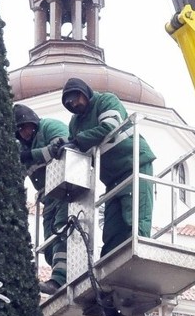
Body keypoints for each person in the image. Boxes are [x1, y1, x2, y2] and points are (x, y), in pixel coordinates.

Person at [61, 77, 155, 256]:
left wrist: (76, 142)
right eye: (69, 102)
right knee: (112, 230)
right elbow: (78, 152)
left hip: (134, 165)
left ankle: (138, 258)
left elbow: (110, 128)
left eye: (75, 97)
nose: (73, 103)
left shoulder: (106, 101)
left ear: (85, 92)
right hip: (112, 178)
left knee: (135, 220)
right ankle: (112, 262)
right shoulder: (75, 123)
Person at [14, 103, 70, 297]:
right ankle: (62, 273)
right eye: (19, 130)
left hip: (66, 187)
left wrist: (31, 155)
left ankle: (59, 279)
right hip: (48, 198)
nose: (24, 133)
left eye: (25, 127)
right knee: (49, 244)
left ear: (33, 122)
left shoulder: (49, 126)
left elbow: (62, 144)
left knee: (62, 231)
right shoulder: (21, 149)